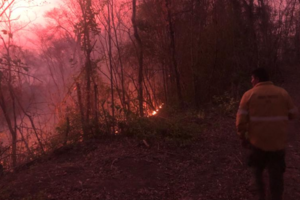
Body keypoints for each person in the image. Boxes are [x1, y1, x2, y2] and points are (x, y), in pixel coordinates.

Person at [236, 68, 298, 200]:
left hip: (257, 143)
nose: (251, 81)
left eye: (252, 78)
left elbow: (240, 122)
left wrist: (242, 137)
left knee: (257, 172)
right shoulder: (282, 93)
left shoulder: (248, 95)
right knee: (276, 176)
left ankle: (261, 196)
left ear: (257, 79)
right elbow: (293, 114)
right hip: (278, 143)